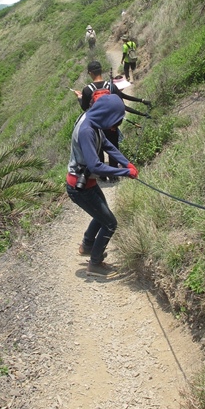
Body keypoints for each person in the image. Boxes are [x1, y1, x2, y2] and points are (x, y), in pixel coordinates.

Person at [66, 94, 138, 277]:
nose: (113, 126)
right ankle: (95, 264)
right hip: (79, 187)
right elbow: (95, 165)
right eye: (113, 122)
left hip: (87, 183)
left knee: (101, 213)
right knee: (110, 223)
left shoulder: (92, 119)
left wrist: (126, 163)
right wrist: (124, 172)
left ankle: (88, 246)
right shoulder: (86, 130)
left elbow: (106, 144)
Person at [72, 60, 151, 175]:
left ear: (90, 73)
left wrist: (80, 97)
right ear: (101, 70)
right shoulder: (111, 86)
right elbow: (121, 103)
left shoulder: (87, 90)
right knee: (113, 146)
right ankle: (114, 175)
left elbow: (85, 108)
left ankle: (103, 175)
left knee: (98, 148)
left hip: (96, 124)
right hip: (111, 124)